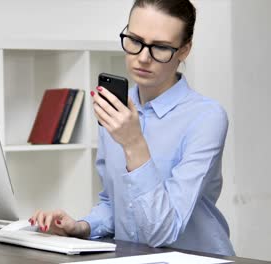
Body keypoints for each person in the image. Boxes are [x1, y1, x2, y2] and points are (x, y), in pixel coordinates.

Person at [29, 0, 235, 256]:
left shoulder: (206, 118)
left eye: (160, 47)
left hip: (196, 259)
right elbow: (115, 203)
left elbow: (162, 232)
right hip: (132, 258)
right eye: (135, 40)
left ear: (184, 50)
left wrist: (133, 143)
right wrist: (81, 227)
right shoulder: (117, 108)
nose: (143, 57)